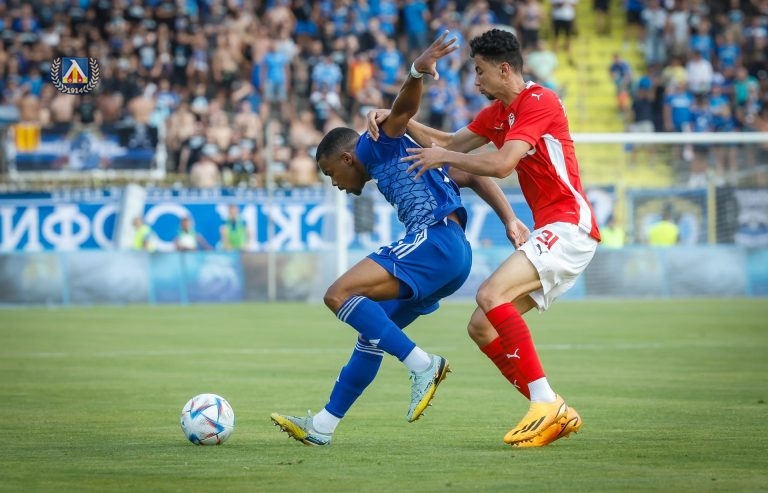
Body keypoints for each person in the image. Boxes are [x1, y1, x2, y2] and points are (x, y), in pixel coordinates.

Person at [270, 32, 528, 446]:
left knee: (338, 295)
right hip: (454, 256)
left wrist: (416, 72)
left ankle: (423, 364)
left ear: (347, 158)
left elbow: (404, 111)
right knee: (371, 334)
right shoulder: (409, 155)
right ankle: (323, 426)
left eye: (332, 173)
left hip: (434, 241)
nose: (335, 184)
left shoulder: (375, 144)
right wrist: (510, 219)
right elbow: (469, 173)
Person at [370, 29, 600, 448]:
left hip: (570, 225)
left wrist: (445, 157)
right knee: (481, 327)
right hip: (554, 229)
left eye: (479, 71)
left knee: (490, 294)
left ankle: (545, 403)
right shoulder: (498, 113)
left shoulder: (540, 100)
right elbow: (446, 142)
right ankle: (553, 409)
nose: (475, 81)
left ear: (504, 69)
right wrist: (397, 117)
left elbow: (502, 164)